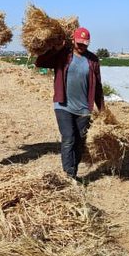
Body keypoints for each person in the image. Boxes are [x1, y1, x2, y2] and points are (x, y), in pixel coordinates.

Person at [35, 27, 104, 179]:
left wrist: (102, 109)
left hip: (84, 109)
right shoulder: (63, 55)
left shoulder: (92, 60)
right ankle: (69, 175)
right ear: (73, 40)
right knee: (69, 137)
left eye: (85, 43)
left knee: (79, 143)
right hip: (63, 105)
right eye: (79, 43)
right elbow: (39, 62)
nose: (82, 46)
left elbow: (98, 86)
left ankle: (74, 171)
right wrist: (55, 49)